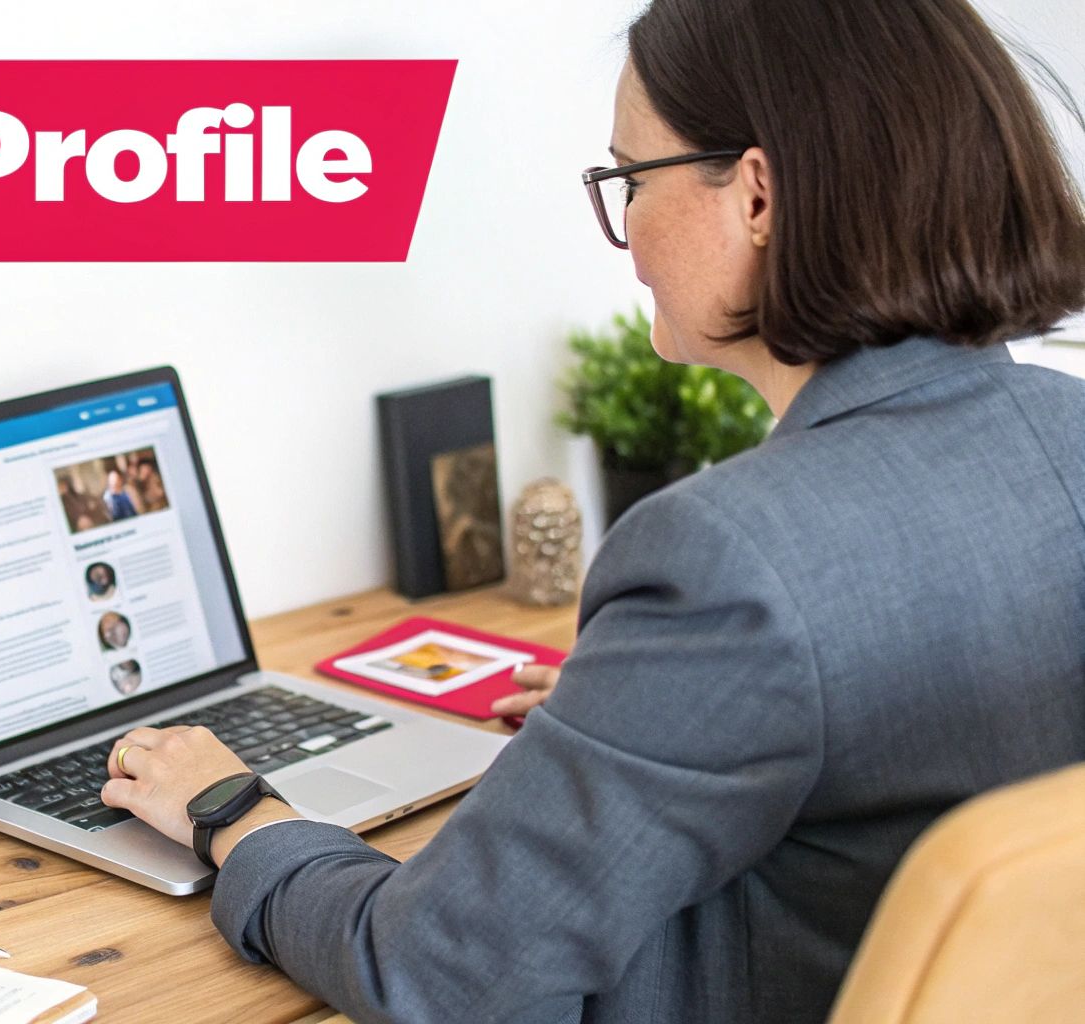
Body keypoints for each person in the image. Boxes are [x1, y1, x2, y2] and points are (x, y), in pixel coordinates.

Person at [96, 1, 1085, 1021]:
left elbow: (428, 972)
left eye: (627, 180)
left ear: (755, 197)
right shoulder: (1067, 432)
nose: (625, 234)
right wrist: (658, 706)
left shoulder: (725, 562)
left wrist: (236, 812)